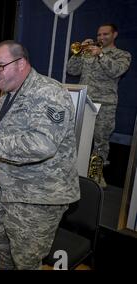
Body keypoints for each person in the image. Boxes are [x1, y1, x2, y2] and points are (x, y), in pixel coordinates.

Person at [0, 40, 80, 270]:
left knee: (25, 261)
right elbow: (2, 135)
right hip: (9, 190)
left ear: (21, 63)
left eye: (0, 66)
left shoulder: (48, 92)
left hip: (39, 198)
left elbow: (43, 144)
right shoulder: (7, 96)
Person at [67, 23, 131, 187]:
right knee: (76, 137)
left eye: (105, 34)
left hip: (105, 105)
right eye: (99, 35)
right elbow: (71, 70)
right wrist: (80, 52)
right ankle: (73, 172)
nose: (101, 38)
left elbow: (116, 71)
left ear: (114, 35)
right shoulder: (88, 53)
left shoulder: (122, 55)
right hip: (83, 102)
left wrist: (101, 54)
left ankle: (95, 176)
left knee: (101, 141)